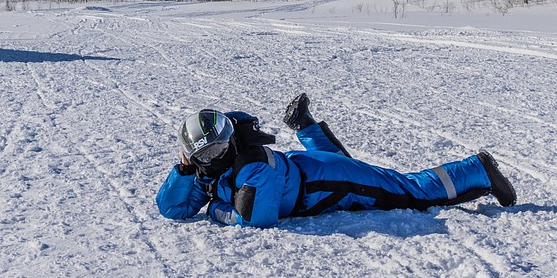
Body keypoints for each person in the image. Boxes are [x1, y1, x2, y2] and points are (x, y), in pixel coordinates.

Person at [156, 93, 517, 228]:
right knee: (336, 162)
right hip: (306, 170)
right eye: (204, 154)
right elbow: (172, 209)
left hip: (322, 183)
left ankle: (477, 168)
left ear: (228, 141)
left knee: (408, 191)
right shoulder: (207, 167)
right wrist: (185, 172)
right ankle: (306, 127)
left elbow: (255, 218)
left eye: (218, 148)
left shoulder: (252, 168)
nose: (213, 157)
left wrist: (214, 208)